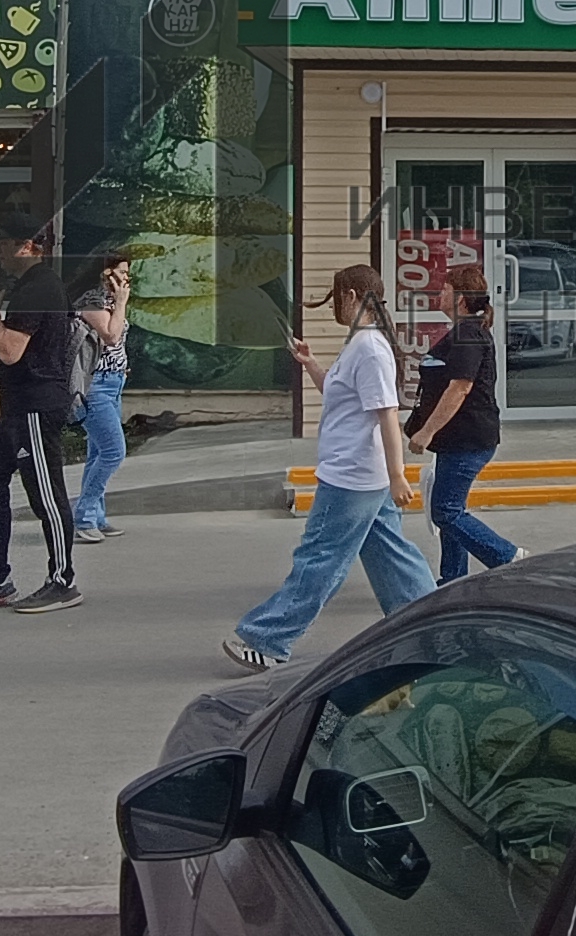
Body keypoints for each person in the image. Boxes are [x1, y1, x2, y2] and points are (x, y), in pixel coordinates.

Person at [222, 264, 432, 673]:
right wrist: (311, 363)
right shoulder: (361, 343)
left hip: (352, 477)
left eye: (337, 297)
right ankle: (426, 625)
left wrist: (398, 475)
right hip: (360, 475)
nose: (335, 304)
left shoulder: (369, 348)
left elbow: (387, 415)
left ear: (351, 296)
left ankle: (268, 640)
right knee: (392, 557)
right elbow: (342, 396)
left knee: (319, 558)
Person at [0, 217, 82, 615]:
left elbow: (10, 351)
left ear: (27, 246)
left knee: (46, 495)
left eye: (4, 243)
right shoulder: (32, 285)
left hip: (36, 407)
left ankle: (62, 581)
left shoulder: (39, 288)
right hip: (17, 408)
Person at [408, 262, 520, 582]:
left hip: (468, 439)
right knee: (451, 509)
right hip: (457, 440)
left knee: (445, 511)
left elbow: (460, 387)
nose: (439, 294)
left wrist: (427, 431)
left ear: (459, 298)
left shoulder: (468, 334)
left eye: (445, 289)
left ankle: (507, 557)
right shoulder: (463, 332)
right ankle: (453, 580)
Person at [72, 249, 133, 545]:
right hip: (95, 386)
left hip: (114, 382)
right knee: (113, 452)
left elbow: (116, 344)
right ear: (104, 273)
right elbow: (111, 335)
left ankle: (96, 516)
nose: (127, 278)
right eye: (121, 272)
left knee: (97, 453)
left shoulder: (108, 301)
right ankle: (83, 517)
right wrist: (121, 303)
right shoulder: (90, 302)